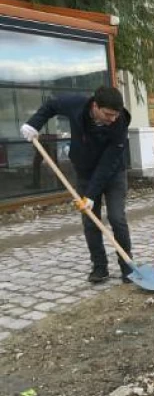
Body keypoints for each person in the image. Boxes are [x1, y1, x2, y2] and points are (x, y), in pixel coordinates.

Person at [21, 86, 133, 284]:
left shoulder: (120, 122)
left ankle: (128, 268)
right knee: (90, 221)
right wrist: (33, 124)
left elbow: (108, 163)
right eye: (108, 114)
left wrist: (90, 195)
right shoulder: (76, 104)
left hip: (114, 173)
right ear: (95, 106)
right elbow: (52, 104)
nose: (112, 119)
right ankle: (100, 268)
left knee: (117, 218)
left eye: (115, 115)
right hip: (85, 172)